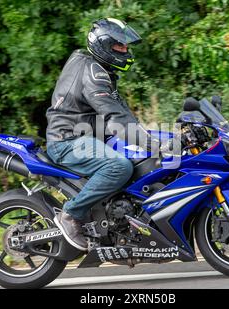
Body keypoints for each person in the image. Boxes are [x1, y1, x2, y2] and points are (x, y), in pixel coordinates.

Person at [46, 18, 157, 251]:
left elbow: (122, 114)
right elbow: (117, 121)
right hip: (68, 140)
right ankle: (70, 214)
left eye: (126, 46)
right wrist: (154, 145)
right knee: (119, 167)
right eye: (120, 46)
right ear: (104, 45)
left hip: (87, 136)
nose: (126, 51)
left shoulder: (94, 66)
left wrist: (153, 137)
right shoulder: (93, 74)